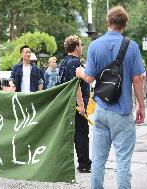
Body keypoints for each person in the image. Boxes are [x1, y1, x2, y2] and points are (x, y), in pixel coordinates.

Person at [76, 6, 145, 189]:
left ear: (108, 23)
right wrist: (141, 106)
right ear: (125, 25)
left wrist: (80, 72)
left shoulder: (95, 45)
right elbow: (137, 79)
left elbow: (89, 78)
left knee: (98, 161)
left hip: (101, 110)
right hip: (122, 112)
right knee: (123, 162)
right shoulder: (132, 46)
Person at [59, 35, 91, 173]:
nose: (82, 47)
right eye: (81, 45)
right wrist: (82, 107)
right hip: (77, 105)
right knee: (82, 134)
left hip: (68, 104)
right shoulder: (74, 63)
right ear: (76, 47)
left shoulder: (64, 62)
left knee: (72, 135)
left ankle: (73, 163)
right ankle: (84, 164)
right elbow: (76, 86)